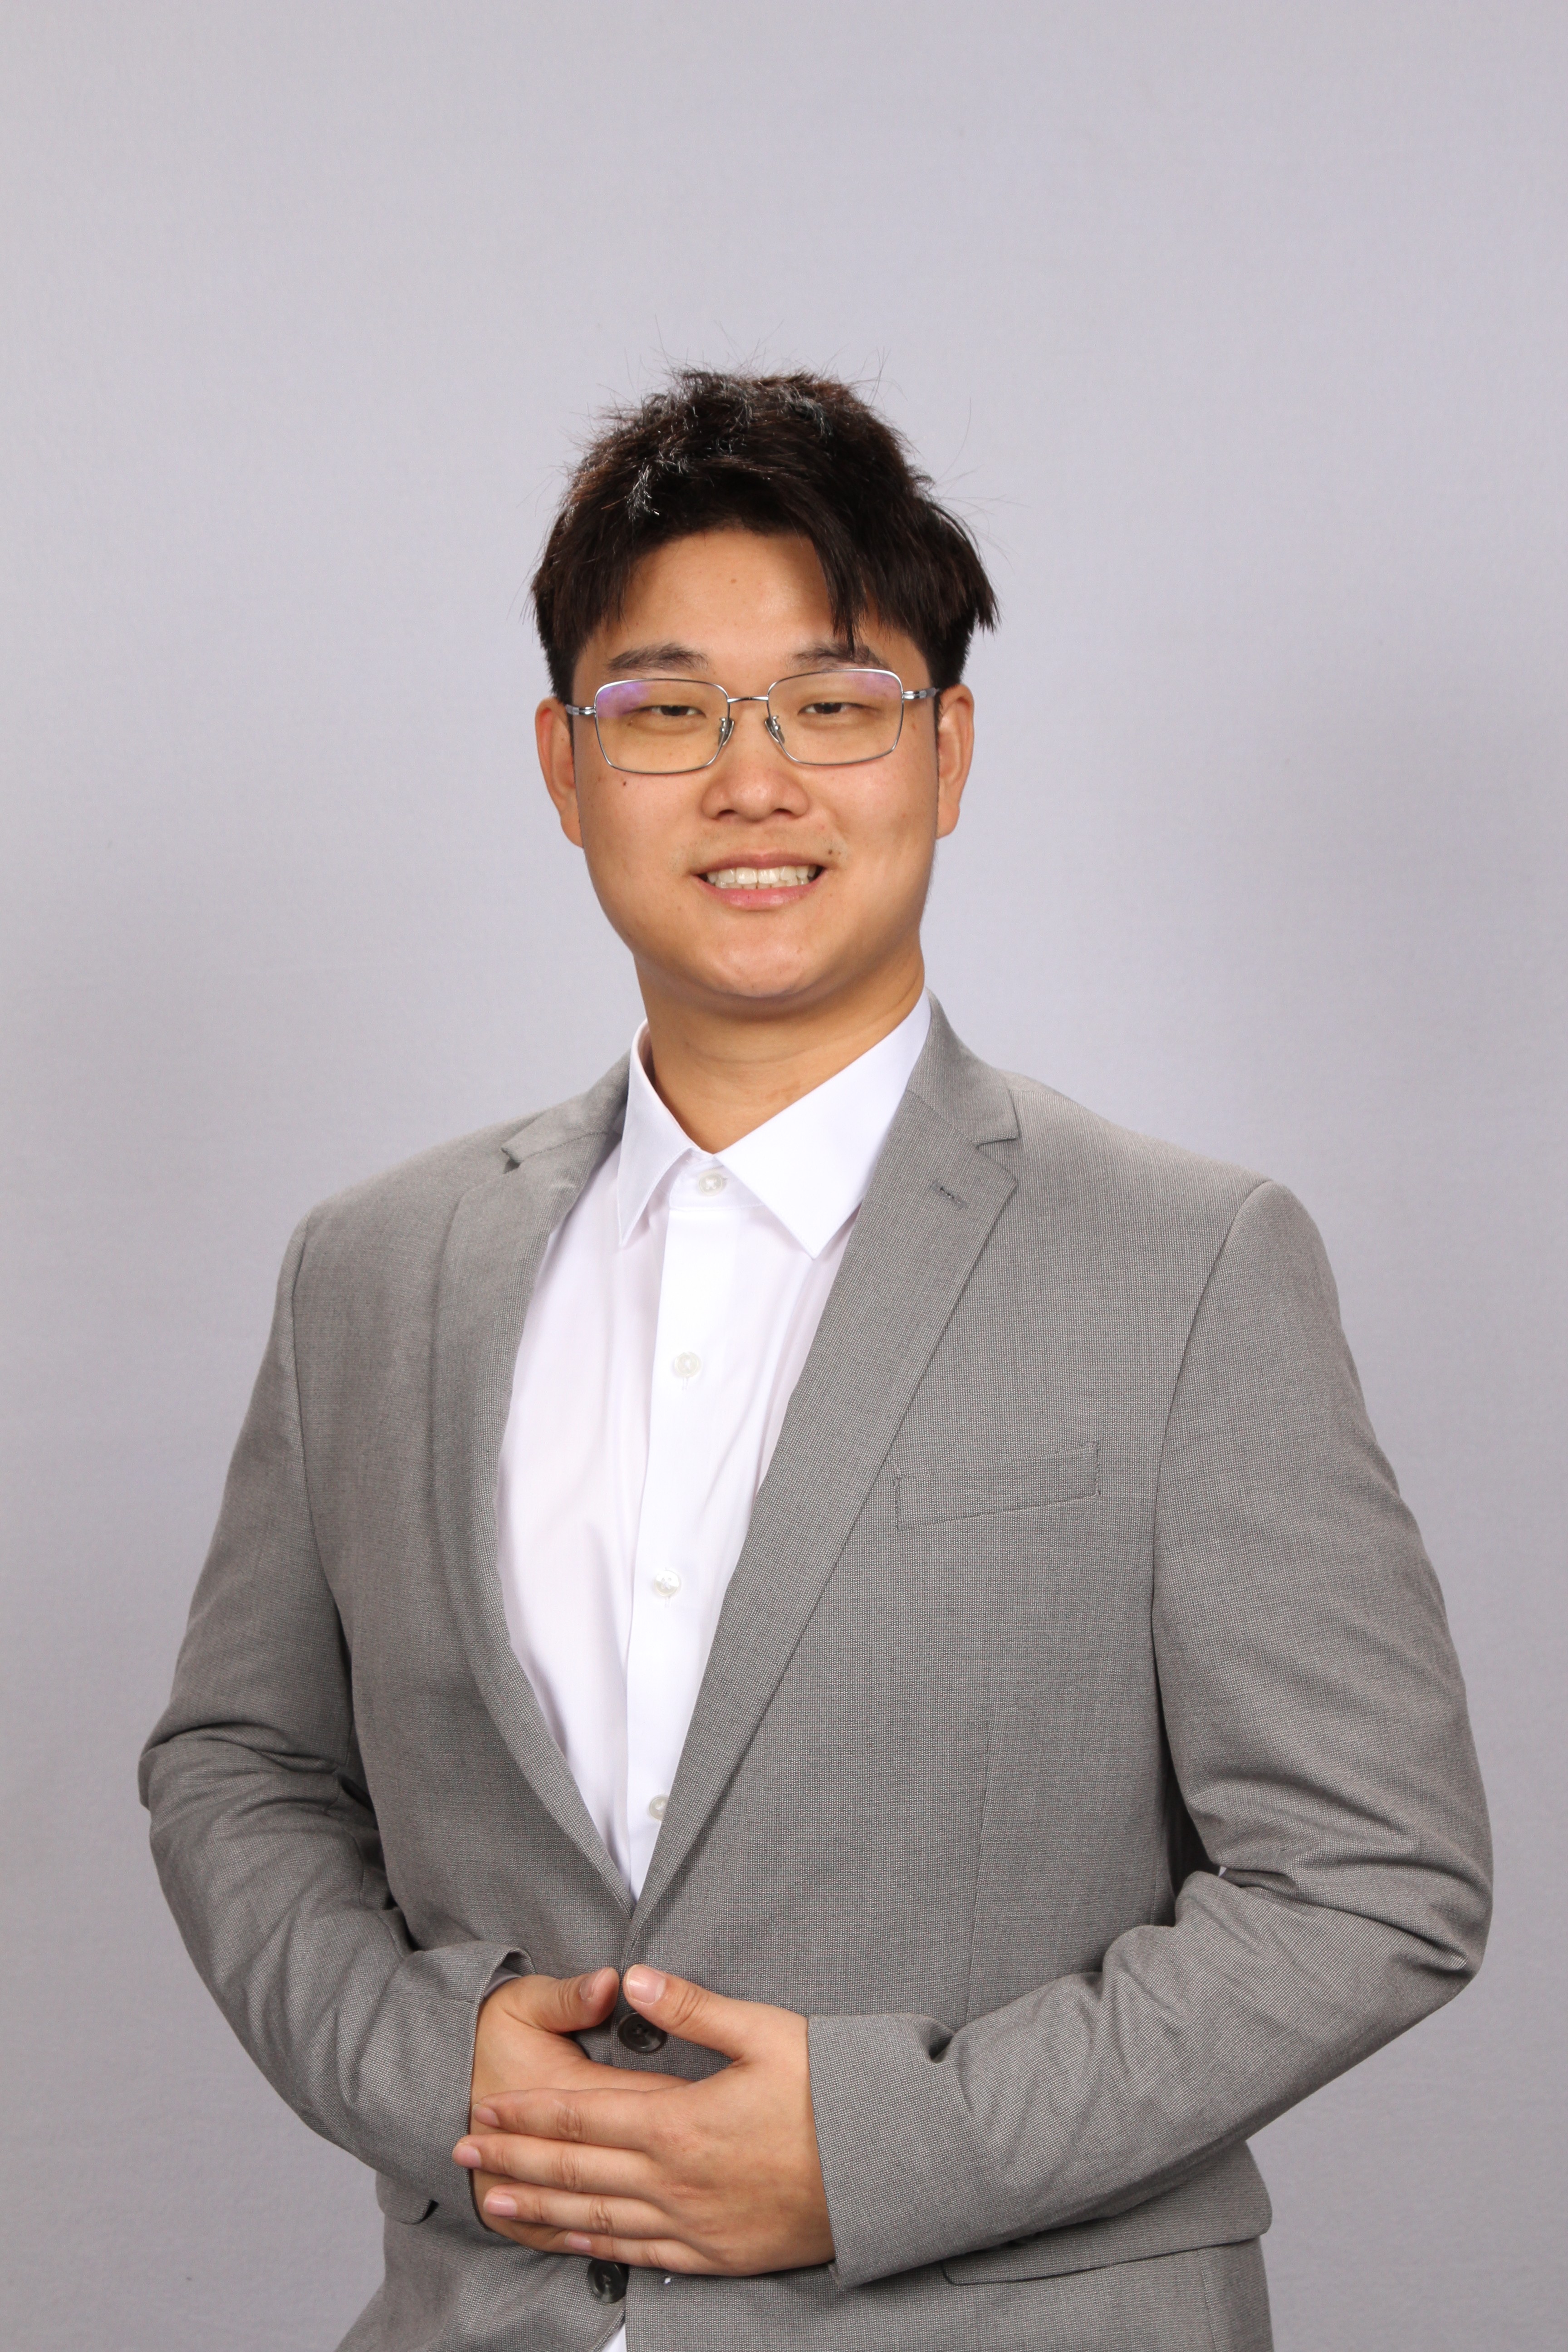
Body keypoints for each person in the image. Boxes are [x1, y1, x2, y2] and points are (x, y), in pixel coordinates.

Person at [141, 368, 1491, 2352]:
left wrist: (881, 2150)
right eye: (667, 709)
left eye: (834, 706)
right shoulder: (373, 1270)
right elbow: (239, 1765)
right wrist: (438, 2075)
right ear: (564, 764)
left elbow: (1375, 1874)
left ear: (947, 754)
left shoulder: (1191, 1266)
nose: (752, 782)